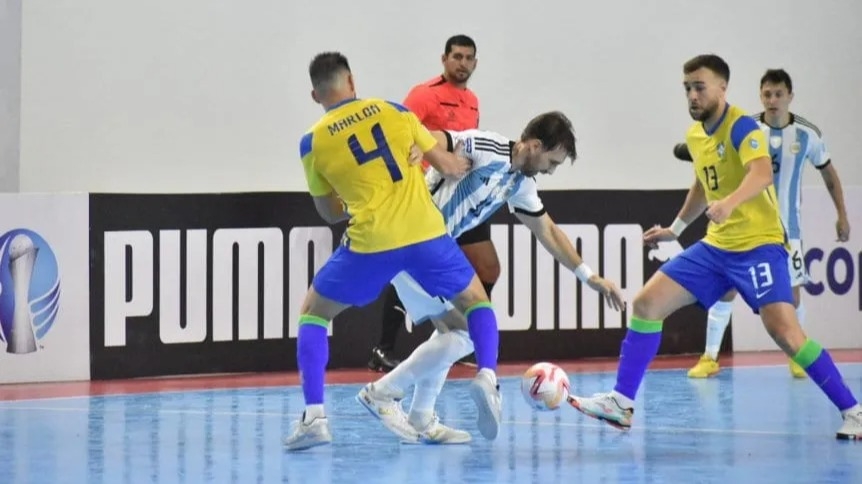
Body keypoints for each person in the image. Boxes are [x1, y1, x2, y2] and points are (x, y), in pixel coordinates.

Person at [567, 54, 862, 440]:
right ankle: (621, 404)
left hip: (760, 246)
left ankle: (853, 410)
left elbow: (760, 173)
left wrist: (730, 203)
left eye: (699, 86)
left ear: (723, 88)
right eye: (686, 87)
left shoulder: (742, 126)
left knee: (787, 334)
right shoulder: (696, 135)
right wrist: (676, 228)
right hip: (716, 247)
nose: (691, 94)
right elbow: (702, 185)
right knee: (645, 304)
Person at [356, 111, 627, 444]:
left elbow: (548, 231)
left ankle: (421, 416)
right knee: (469, 330)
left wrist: (590, 277)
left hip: (428, 248)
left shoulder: (521, 182)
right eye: (551, 162)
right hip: (411, 239)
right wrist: (422, 144)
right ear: (535, 145)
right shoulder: (488, 147)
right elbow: (444, 138)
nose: (550, 171)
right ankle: (383, 392)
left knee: (456, 332)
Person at [285, 51, 504, 451]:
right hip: (425, 235)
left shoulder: (312, 142)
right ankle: (488, 376)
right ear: (352, 81)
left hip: (372, 244)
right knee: (475, 302)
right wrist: (466, 162)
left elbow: (329, 212)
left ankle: (315, 416)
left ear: (316, 96)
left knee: (313, 313)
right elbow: (448, 165)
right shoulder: (396, 111)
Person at [681, 68, 851, 379]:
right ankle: (709, 357)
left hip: (789, 228)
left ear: (790, 97)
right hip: (746, 227)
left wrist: (842, 214)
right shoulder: (747, 128)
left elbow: (828, 173)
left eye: (778, 94)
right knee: (725, 291)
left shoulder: (806, 134)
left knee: (792, 295)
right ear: (761, 96)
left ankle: (796, 355)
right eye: (767, 94)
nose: (772, 100)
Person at [368, 34, 491, 372]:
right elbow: (399, 129)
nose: (462, 63)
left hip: (464, 195)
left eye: (469, 58)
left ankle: (466, 339)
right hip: (429, 196)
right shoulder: (425, 94)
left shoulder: (473, 100)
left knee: (489, 265)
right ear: (444, 59)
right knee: (408, 269)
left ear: (475, 63)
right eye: (457, 57)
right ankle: (382, 349)